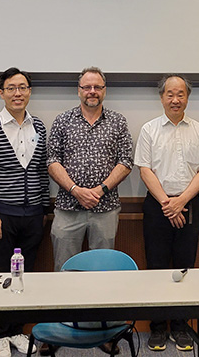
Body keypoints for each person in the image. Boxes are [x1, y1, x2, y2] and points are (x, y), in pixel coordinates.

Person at [136, 74, 199, 352]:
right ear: (162, 97)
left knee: (185, 267)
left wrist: (180, 201)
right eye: (170, 94)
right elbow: (145, 169)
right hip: (157, 205)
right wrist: (167, 204)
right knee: (156, 267)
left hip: (189, 205)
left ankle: (181, 327)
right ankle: (158, 328)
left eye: (180, 94)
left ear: (187, 97)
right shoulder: (149, 129)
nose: (175, 99)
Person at [0, 68, 47, 357]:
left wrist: (44, 208)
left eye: (23, 87)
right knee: (0, 274)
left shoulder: (38, 126)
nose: (18, 93)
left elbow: (41, 171)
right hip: (1, 215)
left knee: (25, 275)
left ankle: (17, 330)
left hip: (33, 215)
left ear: (29, 92)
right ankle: (0, 334)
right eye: (12, 88)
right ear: (2, 93)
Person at [47, 66, 134, 272]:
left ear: (105, 90)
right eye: (87, 87)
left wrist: (100, 190)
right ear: (79, 90)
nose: (92, 91)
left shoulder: (118, 122)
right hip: (68, 208)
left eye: (97, 87)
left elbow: (126, 162)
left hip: (106, 209)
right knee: (64, 269)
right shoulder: (62, 120)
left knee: (103, 271)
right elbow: (52, 161)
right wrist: (76, 190)